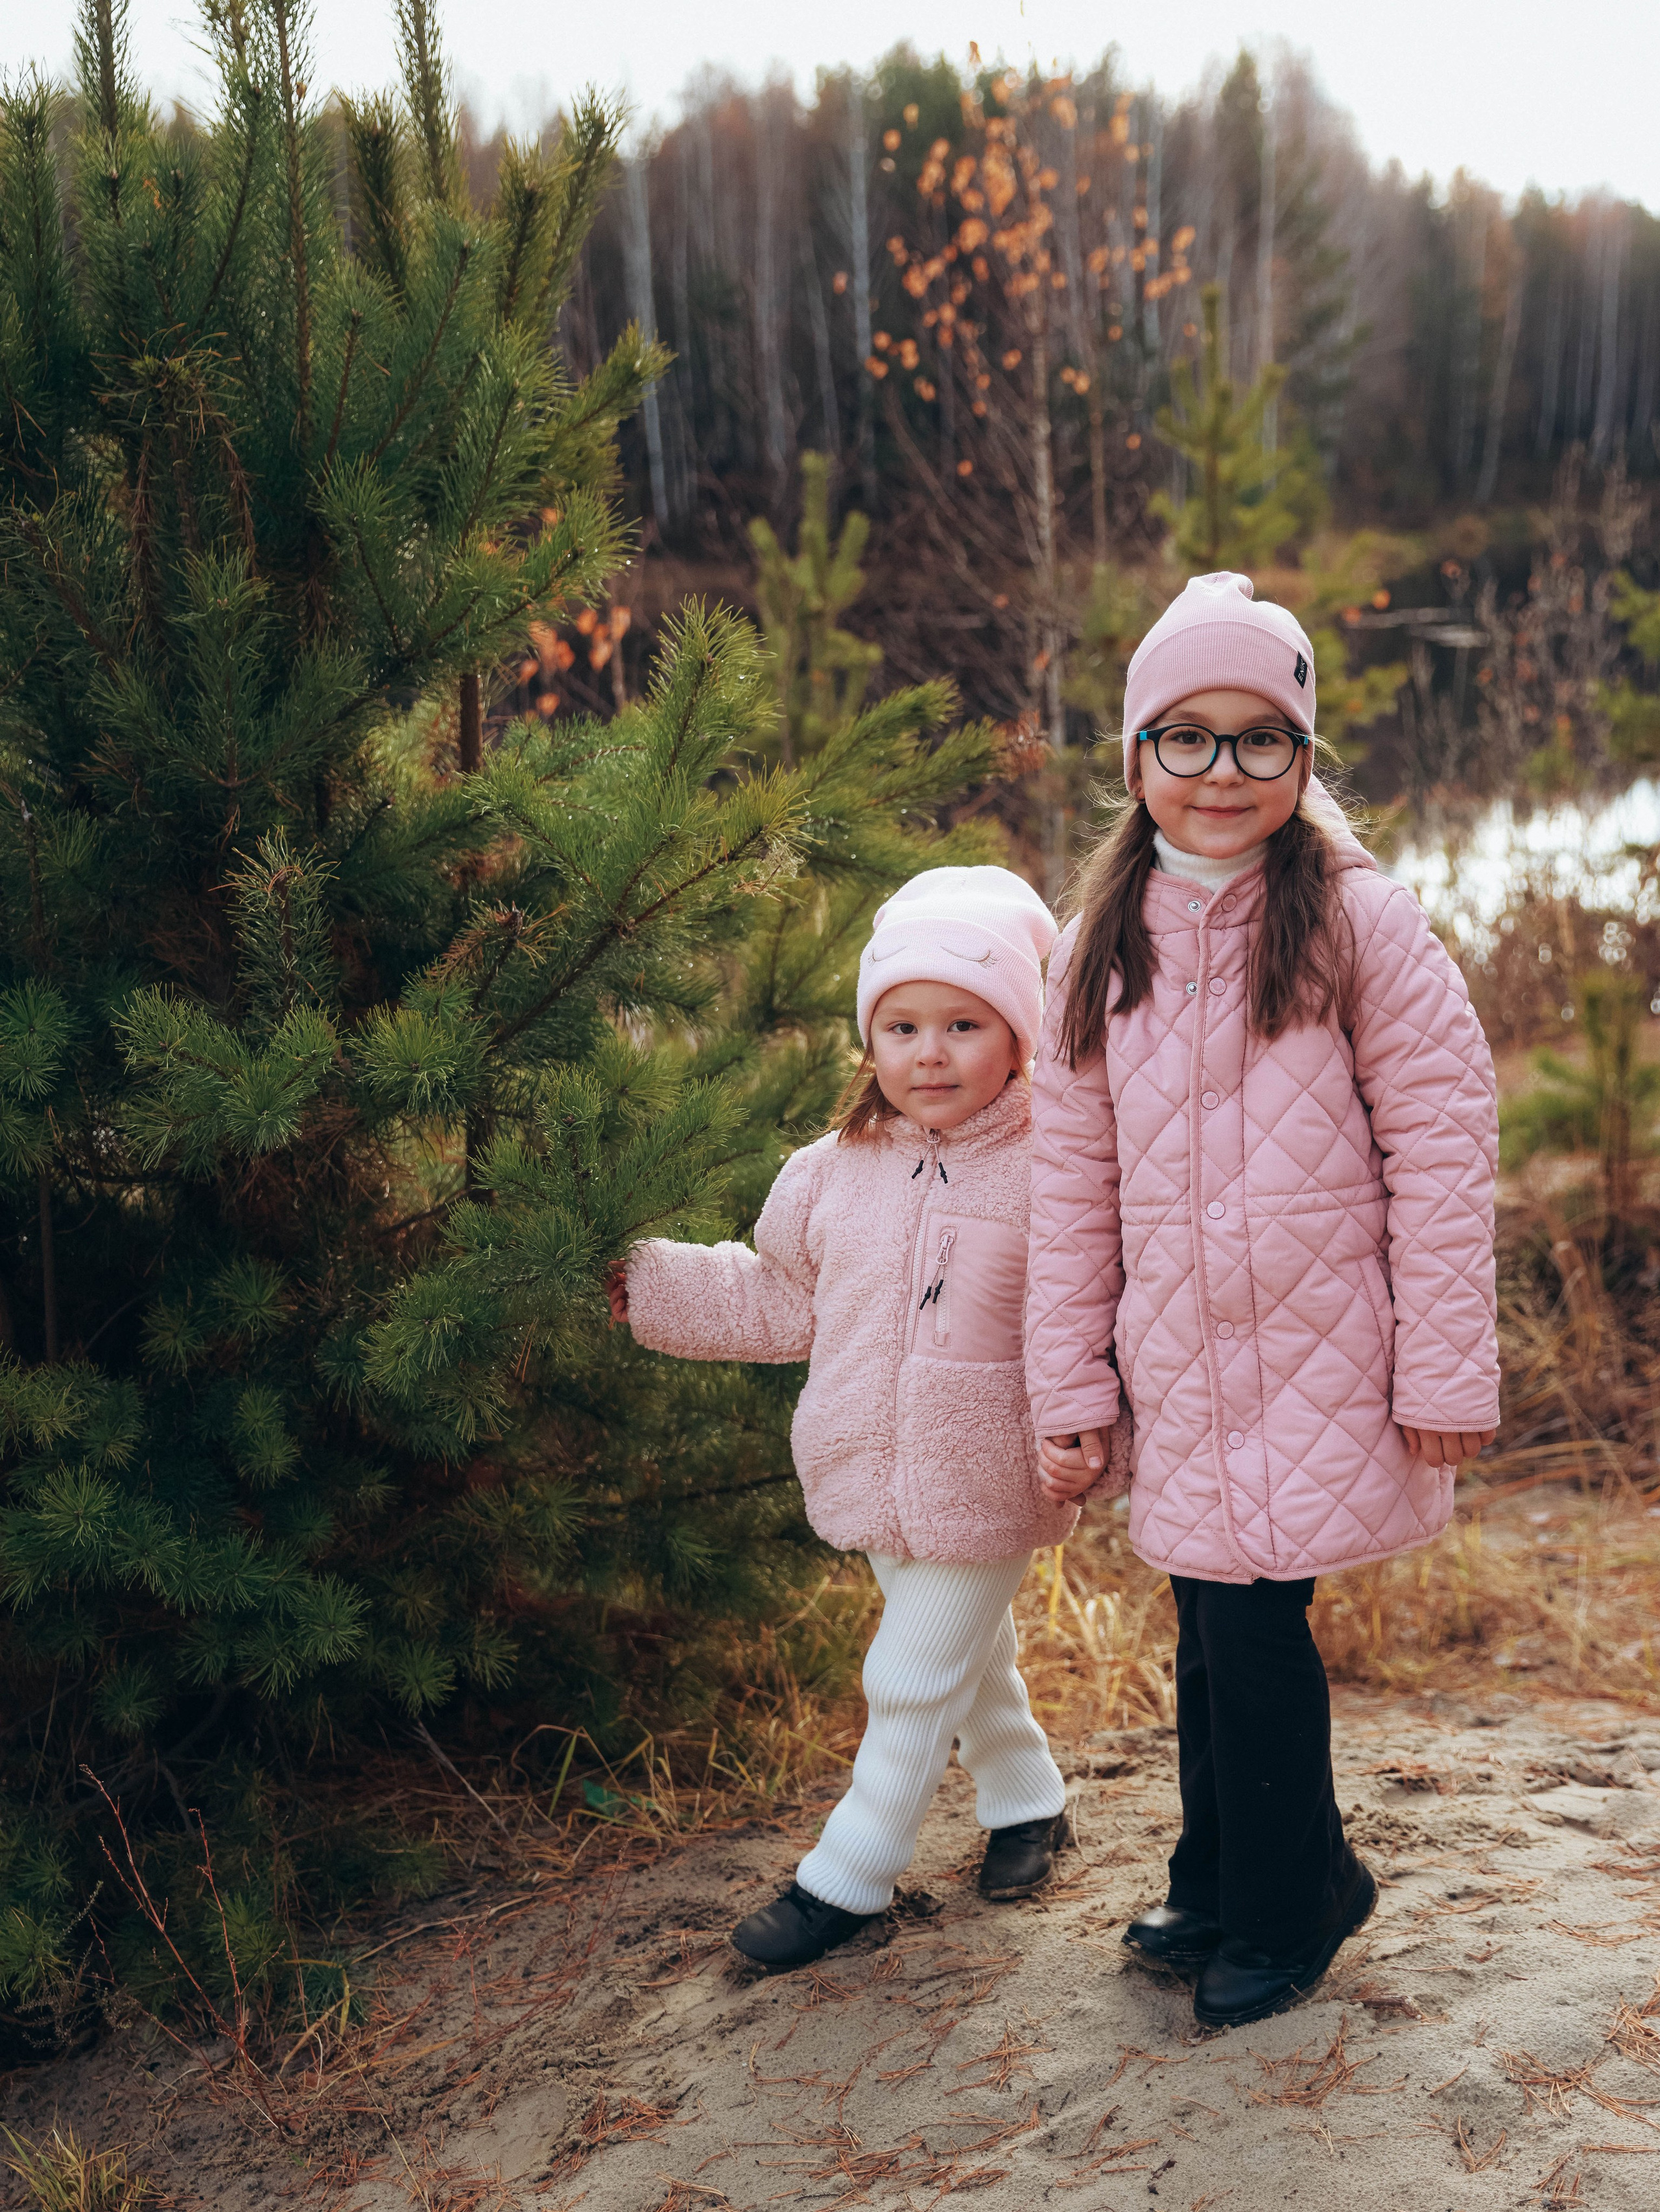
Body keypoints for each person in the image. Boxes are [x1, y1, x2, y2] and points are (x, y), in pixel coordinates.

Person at [1025, 571, 1499, 2030]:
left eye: (1255, 738)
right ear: (1133, 756)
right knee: (1208, 1612)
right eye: (1184, 735)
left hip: (1317, 1350)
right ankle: (1225, 1868)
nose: (1218, 771)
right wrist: (1070, 1383)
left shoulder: (1354, 916)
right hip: (1178, 1356)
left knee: (1251, 1619)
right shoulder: (1099, 935)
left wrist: (1443, 1370)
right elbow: (1067, 1182)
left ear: (1300, 757)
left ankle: (1293, 1904)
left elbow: (1441, 1132)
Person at [609, 866, 1124, 1971]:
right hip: (863, 1460)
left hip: (995, 1465)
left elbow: (1095, 1307)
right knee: (963, 1659)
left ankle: (849, 1877)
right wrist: (649, 1284)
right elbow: (782, 1297)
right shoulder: (828, 1173)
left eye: (962, 1024)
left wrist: (1092, 1422)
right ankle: (1027, 1801)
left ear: (1021, 1039)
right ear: (870, 1039)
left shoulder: (1057, 1167)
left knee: (907, 1677)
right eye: (902, 1025)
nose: (928, 1053)